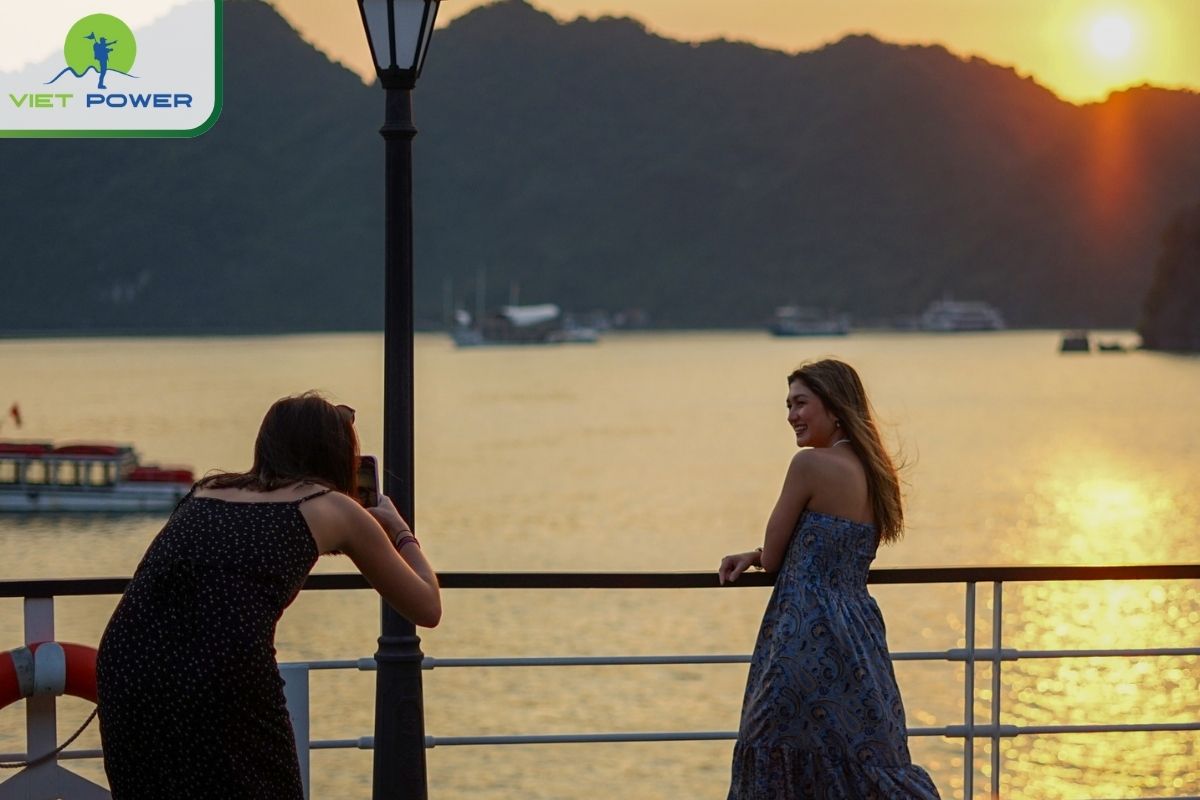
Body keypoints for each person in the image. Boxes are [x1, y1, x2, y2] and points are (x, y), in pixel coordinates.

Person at [96, 392, 440, 799]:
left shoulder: (208, 489)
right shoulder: (333, 506)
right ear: (336, 455)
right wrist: (398, 529)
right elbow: (426, 605)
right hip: (223, 673)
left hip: (125, 663)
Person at [719, 359, 939, 798]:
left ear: (835, 407)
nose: (791, 416)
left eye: (800, 403)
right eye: (788, 405)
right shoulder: (877, 473)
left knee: (774, 752)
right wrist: (760, 554)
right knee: (860, 758)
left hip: (804, 635)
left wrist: (759, 555)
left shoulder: (809, 465)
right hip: (859, 638)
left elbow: (775, 558)